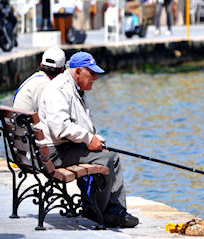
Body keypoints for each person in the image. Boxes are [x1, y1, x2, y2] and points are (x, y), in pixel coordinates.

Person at [37, 51, 139, 228]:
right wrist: (88, 139)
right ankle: (100, 211)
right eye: (91, 73)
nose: (95, 78)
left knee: (107, 154)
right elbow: (60, 127)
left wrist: (96, 139)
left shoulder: (73, 87)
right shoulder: (59, 90)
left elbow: (82, 124)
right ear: (78, 71)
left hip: (62, 147)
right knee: (110, 159)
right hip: (54, 152)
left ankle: (109, 209)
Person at [13, 47, 66, 112]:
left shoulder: (34, 78)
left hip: (18, 120)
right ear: (62, 69)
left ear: (41, 64)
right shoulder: (46, 86)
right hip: (29, 121)